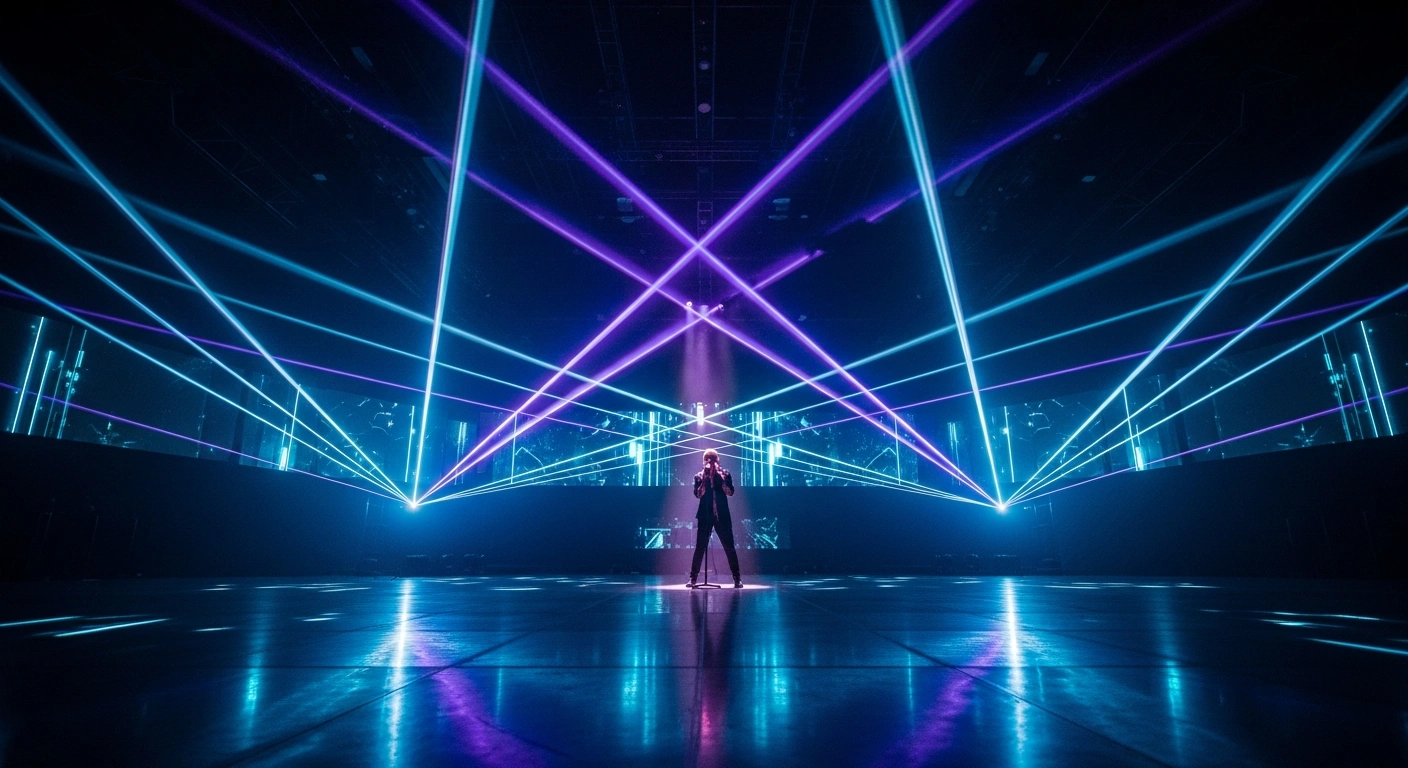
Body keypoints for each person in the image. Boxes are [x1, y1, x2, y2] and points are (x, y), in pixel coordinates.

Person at [689, 448, 742, 588]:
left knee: (729, 547)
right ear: (703, 461)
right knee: (700, 547)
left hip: (722, 516)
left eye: (712, 458)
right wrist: (705, 480)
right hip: (705, 516)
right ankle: (693, 578)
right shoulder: (699, 476)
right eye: (707, 458)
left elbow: (730, 492)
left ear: (717, 460)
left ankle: (737, 578)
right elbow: (698, 495)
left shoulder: (725, 474)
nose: (710, 461)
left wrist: (719, 479)